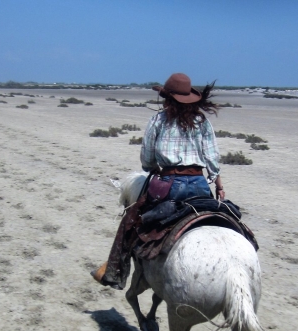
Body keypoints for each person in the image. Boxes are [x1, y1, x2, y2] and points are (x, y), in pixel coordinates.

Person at [91, 72, 225, 289]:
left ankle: (114, 272)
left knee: (131, 220)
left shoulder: (158, 120)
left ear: (167, 98)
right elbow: (212, 158)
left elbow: (147, 159)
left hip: (169, 185)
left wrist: (155, 168)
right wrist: (218, 184)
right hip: (200, 185)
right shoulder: (202, 121)